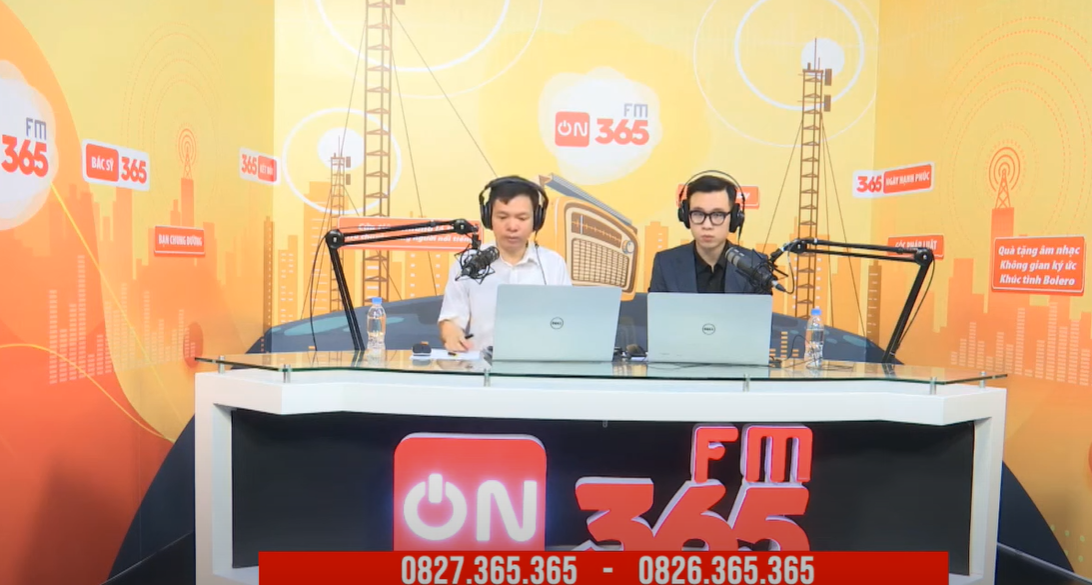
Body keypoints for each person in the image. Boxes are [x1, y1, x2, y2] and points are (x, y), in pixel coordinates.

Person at [438, 176, 572, 351]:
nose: (512, 226)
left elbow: (567, 321)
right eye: (502, 217)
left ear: (536, 220)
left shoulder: (553, 264)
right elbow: (451, 319)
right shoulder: (469, 263)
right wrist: (451, 334)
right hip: (482, 364)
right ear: (488, 218)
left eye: (522, 218)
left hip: (540, 362)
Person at [648, 173, 773, 294]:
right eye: (698, 214)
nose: (707, 225)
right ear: (685, 216)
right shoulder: (665, 263)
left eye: (717, 214)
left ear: (734, 217)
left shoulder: (756, 265)